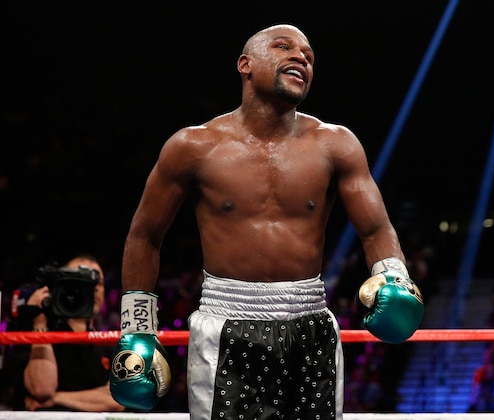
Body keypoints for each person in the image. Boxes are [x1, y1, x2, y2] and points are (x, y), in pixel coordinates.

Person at [109, 23, 424, 419]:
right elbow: (144, 236)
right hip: (227, 325)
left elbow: (376, 229)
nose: (300, 57)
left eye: (308, 56)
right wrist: (137, 330)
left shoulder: (336, 144)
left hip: (312, 326)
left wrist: (394, 276)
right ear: (245, 64)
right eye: (283, 47)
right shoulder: (193, 146)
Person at [15, 255, 125, 412]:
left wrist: (57, 398)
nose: (94, 288)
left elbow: (117, 399)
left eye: (98, 282)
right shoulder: (37, 332)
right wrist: (39, 323)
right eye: (82, 281)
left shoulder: (109, 343)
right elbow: (42, 390)